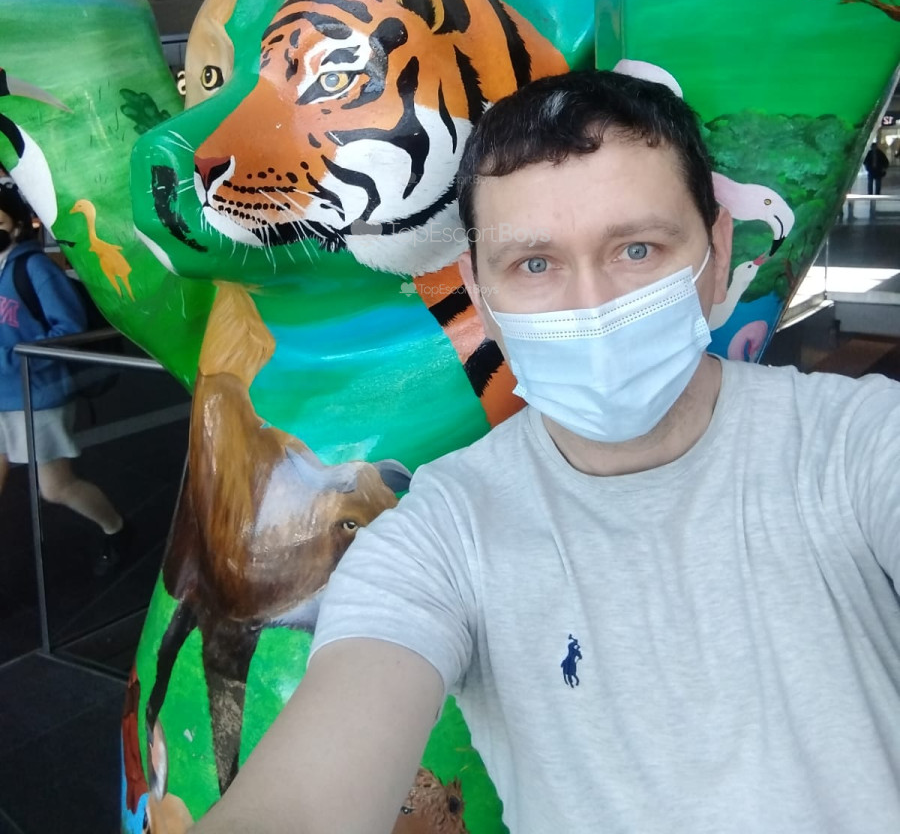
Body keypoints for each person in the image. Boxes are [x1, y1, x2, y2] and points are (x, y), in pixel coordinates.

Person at [193, 70, 900, 834]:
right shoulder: (443, 537)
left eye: (637, 248)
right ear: (479, 292)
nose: (593, 305)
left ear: (717, 251)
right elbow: (304, 800)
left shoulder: (857, 443)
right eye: (534, 264)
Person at [0, 185, 127, 574]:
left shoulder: (33, 269)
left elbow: (68, 330)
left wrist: (13, 357)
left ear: (17, 225)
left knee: (55, 487)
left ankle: (116, 528)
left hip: (38, 395)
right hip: (4, 395)